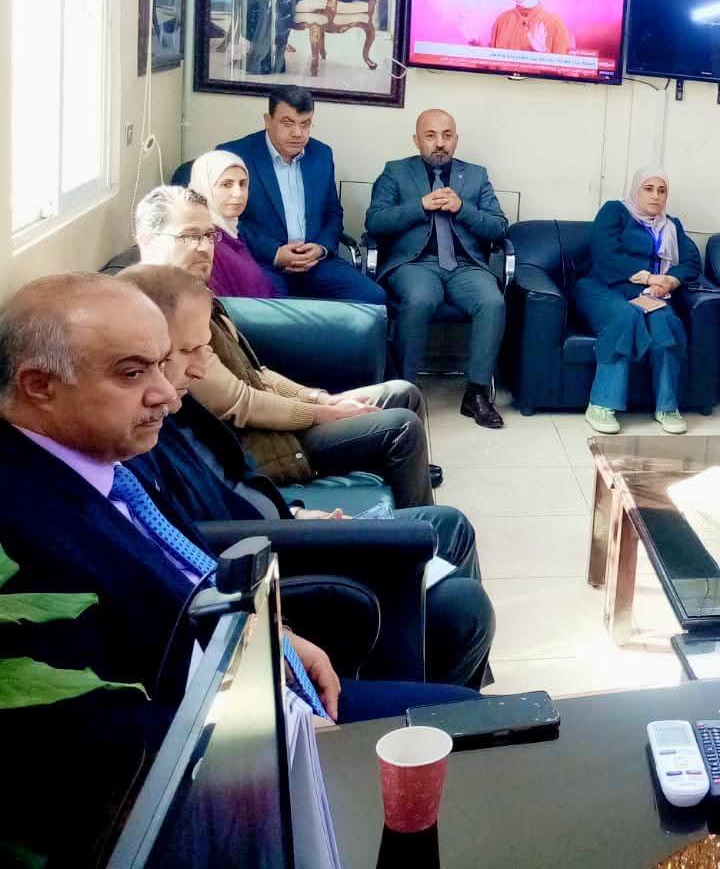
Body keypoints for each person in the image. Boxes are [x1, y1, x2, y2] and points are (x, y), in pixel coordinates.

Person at [0, 274, 473, 726]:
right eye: (132, 373)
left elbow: (189, 570)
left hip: (264, 674)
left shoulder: (104, 456)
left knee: (481, 720)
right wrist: (273, 737)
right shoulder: (21, 528)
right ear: (40, 385)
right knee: (470, 723)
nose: (166, 393)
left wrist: (276, 635)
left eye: (163, 363)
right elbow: (91, 722)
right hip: (223, 735)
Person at [117, 263, 495, 687]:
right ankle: (434, 701)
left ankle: (452, 690)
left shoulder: (184, 407)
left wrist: (295, 512)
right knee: (463, 602)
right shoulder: (146, 436)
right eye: (188, 351)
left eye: (204, 349)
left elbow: (252, 414)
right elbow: (200, 539)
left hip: (285, 525)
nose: (202, 368)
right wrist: (297, 522)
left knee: (451, 524)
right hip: (276, 554)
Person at [135, 186, 434, 508]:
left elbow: (257, 374)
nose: (204, 247)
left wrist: (321, 398)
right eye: (189, 236)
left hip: (275, 426)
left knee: (403, 393)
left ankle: (407, 489)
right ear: (148, 240)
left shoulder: (198, 297)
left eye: (209, 236)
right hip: (260, 445)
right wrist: (321, 413)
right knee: (401, 428)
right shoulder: (156, 314)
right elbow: (239, 402)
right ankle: (415, 532)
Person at [367, 109, 509, 429]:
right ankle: (403, 390)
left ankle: (476, 394)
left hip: (465, 265)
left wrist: (462, 208)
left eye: (447, 135)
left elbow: (499, 227)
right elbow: (375, 221)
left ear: (456, 140)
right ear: (416, 140)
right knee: (420, 299)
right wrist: (420, 206)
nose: (440, 143)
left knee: (492, 302)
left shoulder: (476, 175)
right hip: (415, 263)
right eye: (430, 136)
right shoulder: (396, 172)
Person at [217, 84, 387, 303]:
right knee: (273, 307)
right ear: (268, 120)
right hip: (262, 261)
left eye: (305, 124)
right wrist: (275, 253)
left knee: (373, 297)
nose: (297, 133)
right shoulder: (235, 155)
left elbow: (333, 213)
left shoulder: (321, 154)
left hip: (315, 262)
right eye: (288, 123)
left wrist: (321, 248)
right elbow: (223, 219)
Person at [576, 167, 699, 435]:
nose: (656, 196)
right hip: (603, 287)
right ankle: (601, 404)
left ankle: (667, 406)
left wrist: (669, 281)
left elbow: (691, 262)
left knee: (666, 321)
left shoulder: (671, 225)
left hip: (648, 294)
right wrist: (649, 277)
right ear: (636, 190)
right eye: (649, 188)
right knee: (625, 316)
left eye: (662, 190)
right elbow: (605, 255)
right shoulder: (614, 211)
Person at [186, 148, 285, 299]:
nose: (238, 193)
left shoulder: (231, 232)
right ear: (203, 188)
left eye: (243, 184)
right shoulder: (205, 243)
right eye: (227, 184)